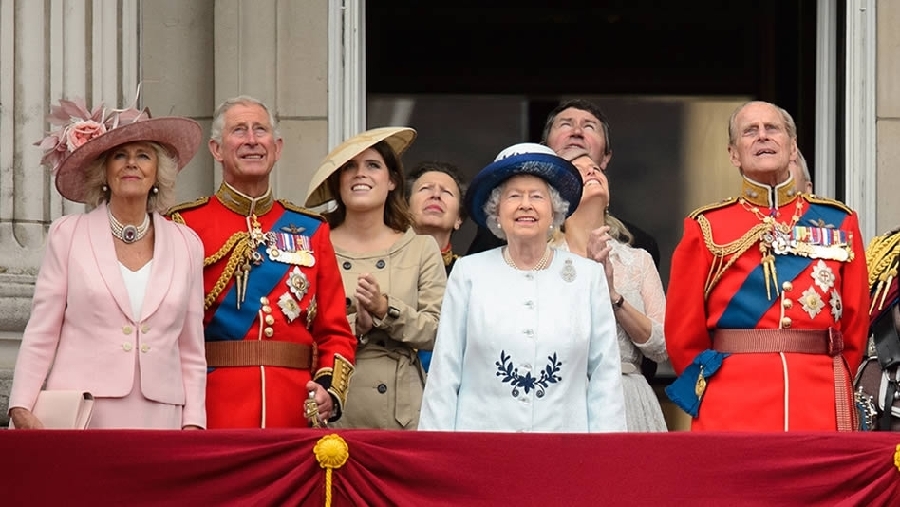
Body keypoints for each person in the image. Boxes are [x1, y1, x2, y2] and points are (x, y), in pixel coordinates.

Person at [665, 101, 869, 431]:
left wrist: (836, 381)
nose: (762, 136)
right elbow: (683, 336)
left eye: (772, 128)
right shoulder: (705, 226)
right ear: (733, 154)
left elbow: (855, 323)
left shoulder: (839, 221)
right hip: (732, 403)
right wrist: (713, 390)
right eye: (750, 131)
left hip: (818, 401)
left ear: (792, 148)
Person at [9, 97, 207, 429]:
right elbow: (43, 329)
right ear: (104, 171)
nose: (132, 164)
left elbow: (191, 347)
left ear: (158, 171)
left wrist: (194, 421)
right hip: (84, 412)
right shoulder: (68, 235)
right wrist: (21, 404)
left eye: (143, 155)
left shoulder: (187, 244)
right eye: (120, 155)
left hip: (161, 415)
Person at [167, 96, 356, 429]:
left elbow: (334, 330)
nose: (252, 140)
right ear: (216, 149)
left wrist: (328, 389)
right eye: (239, 131)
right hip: (213, 404)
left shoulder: (313, 229)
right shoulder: (185, 225)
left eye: (261, 130)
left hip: (294, 406)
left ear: (277, 147)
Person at [419, 142, 627, 433]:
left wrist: (608, 455)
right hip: (481, 446)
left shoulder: (588, 277)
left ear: (555, 210)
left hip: (565, 446)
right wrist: (437, 455)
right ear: (497, 211)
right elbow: (445, 370)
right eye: (514, 196)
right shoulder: (469, 273)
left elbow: (605, 375)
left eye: (537, 196)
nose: (525, 205)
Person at [305, 126, 446, 430]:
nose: (360, 174)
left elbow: (438, 331)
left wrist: (385, 310)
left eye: (373, 165)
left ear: (392, 180)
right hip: (335, 403)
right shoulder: (315, 245)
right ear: (337, 183)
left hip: (401, 412)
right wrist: (356, 325)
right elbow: (299, 329)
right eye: (349, 167)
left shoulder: (421, 248)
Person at [466, 99, 661, 270]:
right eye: (566, 125)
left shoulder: (638, 244)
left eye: (589, 126)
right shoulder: (508, 222)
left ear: (605, 158)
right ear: (543, 150)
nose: (576, 132)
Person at [551, 147, 668, 432]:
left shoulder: (638, 260)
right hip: (561, 397)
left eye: (597, 169)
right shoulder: (544, 260)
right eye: (578, 170)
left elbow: (662, 346)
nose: (592, 171)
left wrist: (613, 294)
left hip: (628, 396)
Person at [406, 160, 468, 372]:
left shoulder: (468, 274)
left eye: (447, 193)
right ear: (405, 209)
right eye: (425, 189)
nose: (436, 195)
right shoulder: (385, 265)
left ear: (459, 218)